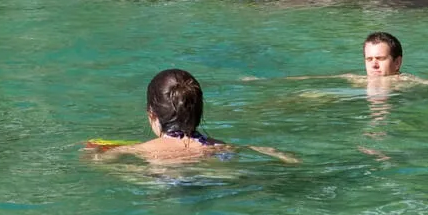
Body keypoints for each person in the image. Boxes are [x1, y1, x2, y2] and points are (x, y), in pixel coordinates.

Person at [87, 69, 296, 163]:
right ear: (198, 111)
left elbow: (100, 161)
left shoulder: (142, 150)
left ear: (152, 115)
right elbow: (257, 150)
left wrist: (95, 153)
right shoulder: (220, 147)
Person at [252, 31, 428, 97]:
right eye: (369, 60)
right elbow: (314, 79)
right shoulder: (356, 79)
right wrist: (266, 82)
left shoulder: (406, 81)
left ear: (397, 62)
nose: (374, 66)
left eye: (380, 59)